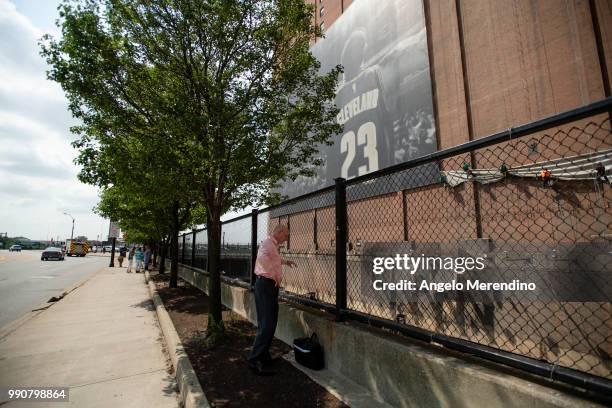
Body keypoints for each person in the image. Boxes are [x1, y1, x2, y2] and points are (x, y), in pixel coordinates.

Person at [248, 224, 297, 375]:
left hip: (269, 287)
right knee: (266, 324)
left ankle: (264, 356)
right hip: (265, 286)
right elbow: (262, 259)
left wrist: (285, 262)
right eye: (286, 235)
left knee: (271, 322)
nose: (286, 238)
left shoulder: (272, 245)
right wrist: (275, 275)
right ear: (279, 232)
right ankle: (254, 360)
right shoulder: (267, 243)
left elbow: (273, 259)